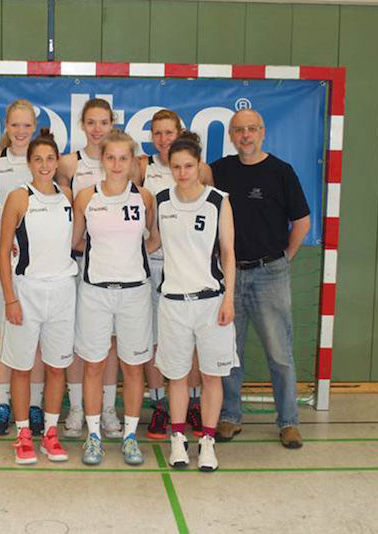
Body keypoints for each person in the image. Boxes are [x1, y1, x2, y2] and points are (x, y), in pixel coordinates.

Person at [211, 109, 311, 449]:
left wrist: (283, 259)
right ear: (231, 135)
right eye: (239, 130)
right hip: (230, 276)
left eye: (252, 129)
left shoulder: (281, 172)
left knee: (280, 353)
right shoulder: (220, 170)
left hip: (271, 274)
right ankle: (229, 416)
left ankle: (289, 421)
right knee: (229, 352)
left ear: (263, 132)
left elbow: (302, 222)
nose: (246, 135)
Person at [150, 131, 237, 472]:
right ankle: (177, 439)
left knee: (212, 376)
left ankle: (208, 442)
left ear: (199, 165)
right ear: (169, 167)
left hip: (211, 301)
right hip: (173, 302)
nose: (183, 172)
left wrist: (229, 297)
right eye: (176, 167)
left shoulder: (218, 200)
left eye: (189, 166)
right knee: (178, 376)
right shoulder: (161, 201)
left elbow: (229, 253)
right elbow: (153, 242)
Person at [72, 130, 156, 466]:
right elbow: (76, 242)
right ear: (101, 161)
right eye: (111, 158)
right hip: (95, 292)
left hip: (135, 293)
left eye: (124, 158)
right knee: (94, 365)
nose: (117, 164)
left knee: (133, 368)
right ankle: (93, 436)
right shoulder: (85, 197)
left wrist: (130, 261)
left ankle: (130, 437)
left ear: (134, 161)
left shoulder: (145, 198)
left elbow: (154, 240)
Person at [0, 129, 77, 464]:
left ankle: (50, 433)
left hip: (62, 292)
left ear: (57, 161)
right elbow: (3, 254)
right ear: (29, 164)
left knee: (57, 367)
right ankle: (23, 435)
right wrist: (10, 299)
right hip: (27, 292)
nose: (44, 165)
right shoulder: (19, 197)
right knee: (22, 367)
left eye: (49, 158)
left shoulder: (68, 196)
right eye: (38, 159)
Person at [137, 109, 213, 440]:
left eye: (169, 132)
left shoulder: (202, 170)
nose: (164, 139)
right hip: (156, 265)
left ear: (179, 132)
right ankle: (160, 407)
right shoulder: (142, 167)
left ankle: (194, 404)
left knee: (192, 342)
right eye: (157, 133)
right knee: (156, 341)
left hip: (193, 271)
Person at [56, 98, 122, 439]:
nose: (97, 129)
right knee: (80, 341)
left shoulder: (125, 163)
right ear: (82, 125)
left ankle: (108, 408)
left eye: (104, 122)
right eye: (91, 122)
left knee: (107, 343)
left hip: (115, 269)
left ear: (112, 125)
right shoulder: (68, 164)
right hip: (80, 264)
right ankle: (78, 407)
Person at [0, 99, 47, 436]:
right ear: (6, 126)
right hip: (0, 259)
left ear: (34, 128)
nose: (21, 131)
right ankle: (2, 403)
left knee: (32, 339)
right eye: (15, 125)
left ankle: (34, 405)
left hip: (35, 265)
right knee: (3, 336)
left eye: (27, 125)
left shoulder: (45, 161)